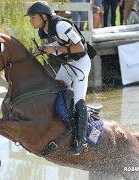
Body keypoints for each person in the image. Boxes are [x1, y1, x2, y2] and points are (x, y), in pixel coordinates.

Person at [25, 1, 91, 156]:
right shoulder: (42, 32)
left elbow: (80, 47)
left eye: (33, 17)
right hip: (67, 65)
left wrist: (55, 49)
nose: (30, 21)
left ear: (43, 16)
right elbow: (56, 50)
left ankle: (81, 142)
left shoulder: (61, 26)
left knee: (78, 100)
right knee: (53, 92)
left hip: (80, 63)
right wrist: (43, 50)